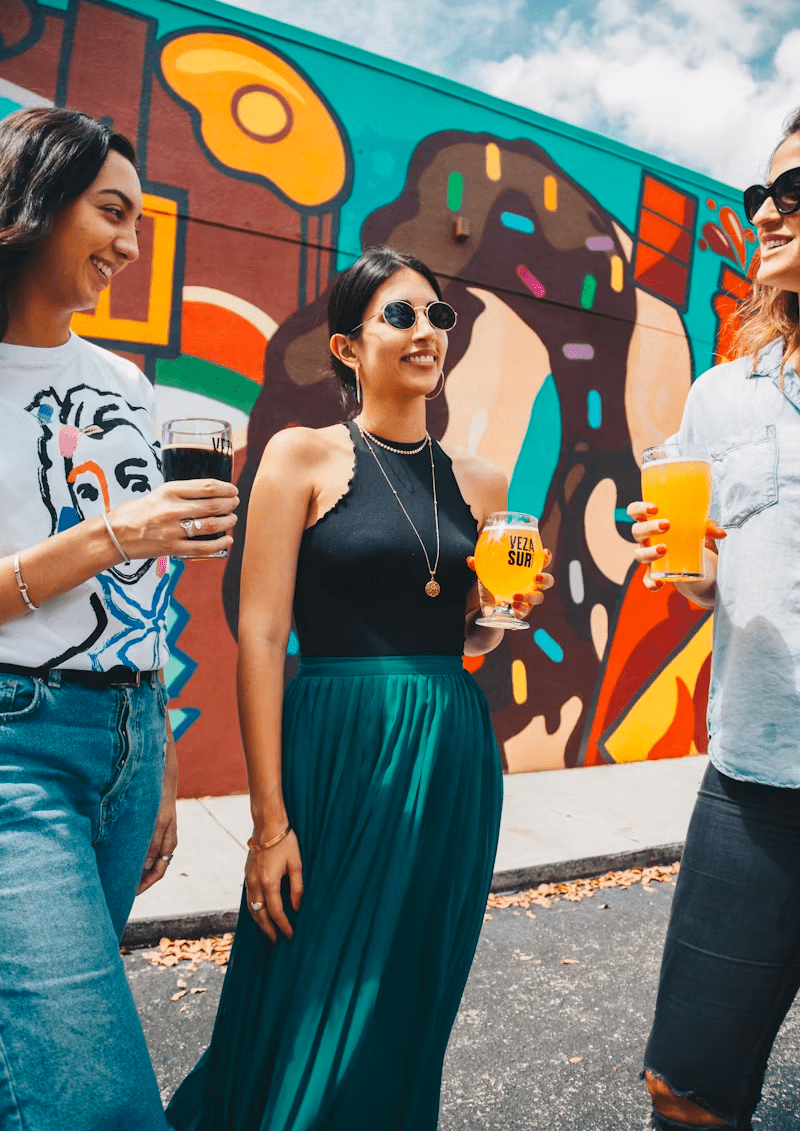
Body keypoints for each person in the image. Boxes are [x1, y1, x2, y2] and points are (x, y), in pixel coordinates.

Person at [166, 244, 554, 1131]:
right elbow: (261, 634)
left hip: (449, 747)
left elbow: (473, 635)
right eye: (401, 315)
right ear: (347, 346)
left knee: (406, 994)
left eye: (438, 316)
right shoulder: (299, 455)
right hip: (335, 744)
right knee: (307, 981)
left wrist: (501, 611)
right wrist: (268, 824)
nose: (427, 332)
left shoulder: (486, 481)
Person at [0, 107, 239, 1130]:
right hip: (15, 748)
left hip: (125, 741)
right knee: (95, 1102)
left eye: (139, 220)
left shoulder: (125, 386)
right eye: (110, 212)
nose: (130, 246)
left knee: (30, 1069)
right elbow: (113, 548)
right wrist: (112, 532)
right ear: (34, 200)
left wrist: (162, 757)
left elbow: (135, 607)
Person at [628, 108, 800, 1130]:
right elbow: (706, 583)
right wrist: (679, 565)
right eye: (761, 194)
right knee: (684, 1090)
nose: (767, 212)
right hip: (751, 787)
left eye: (797, 191)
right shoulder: (717, 396)